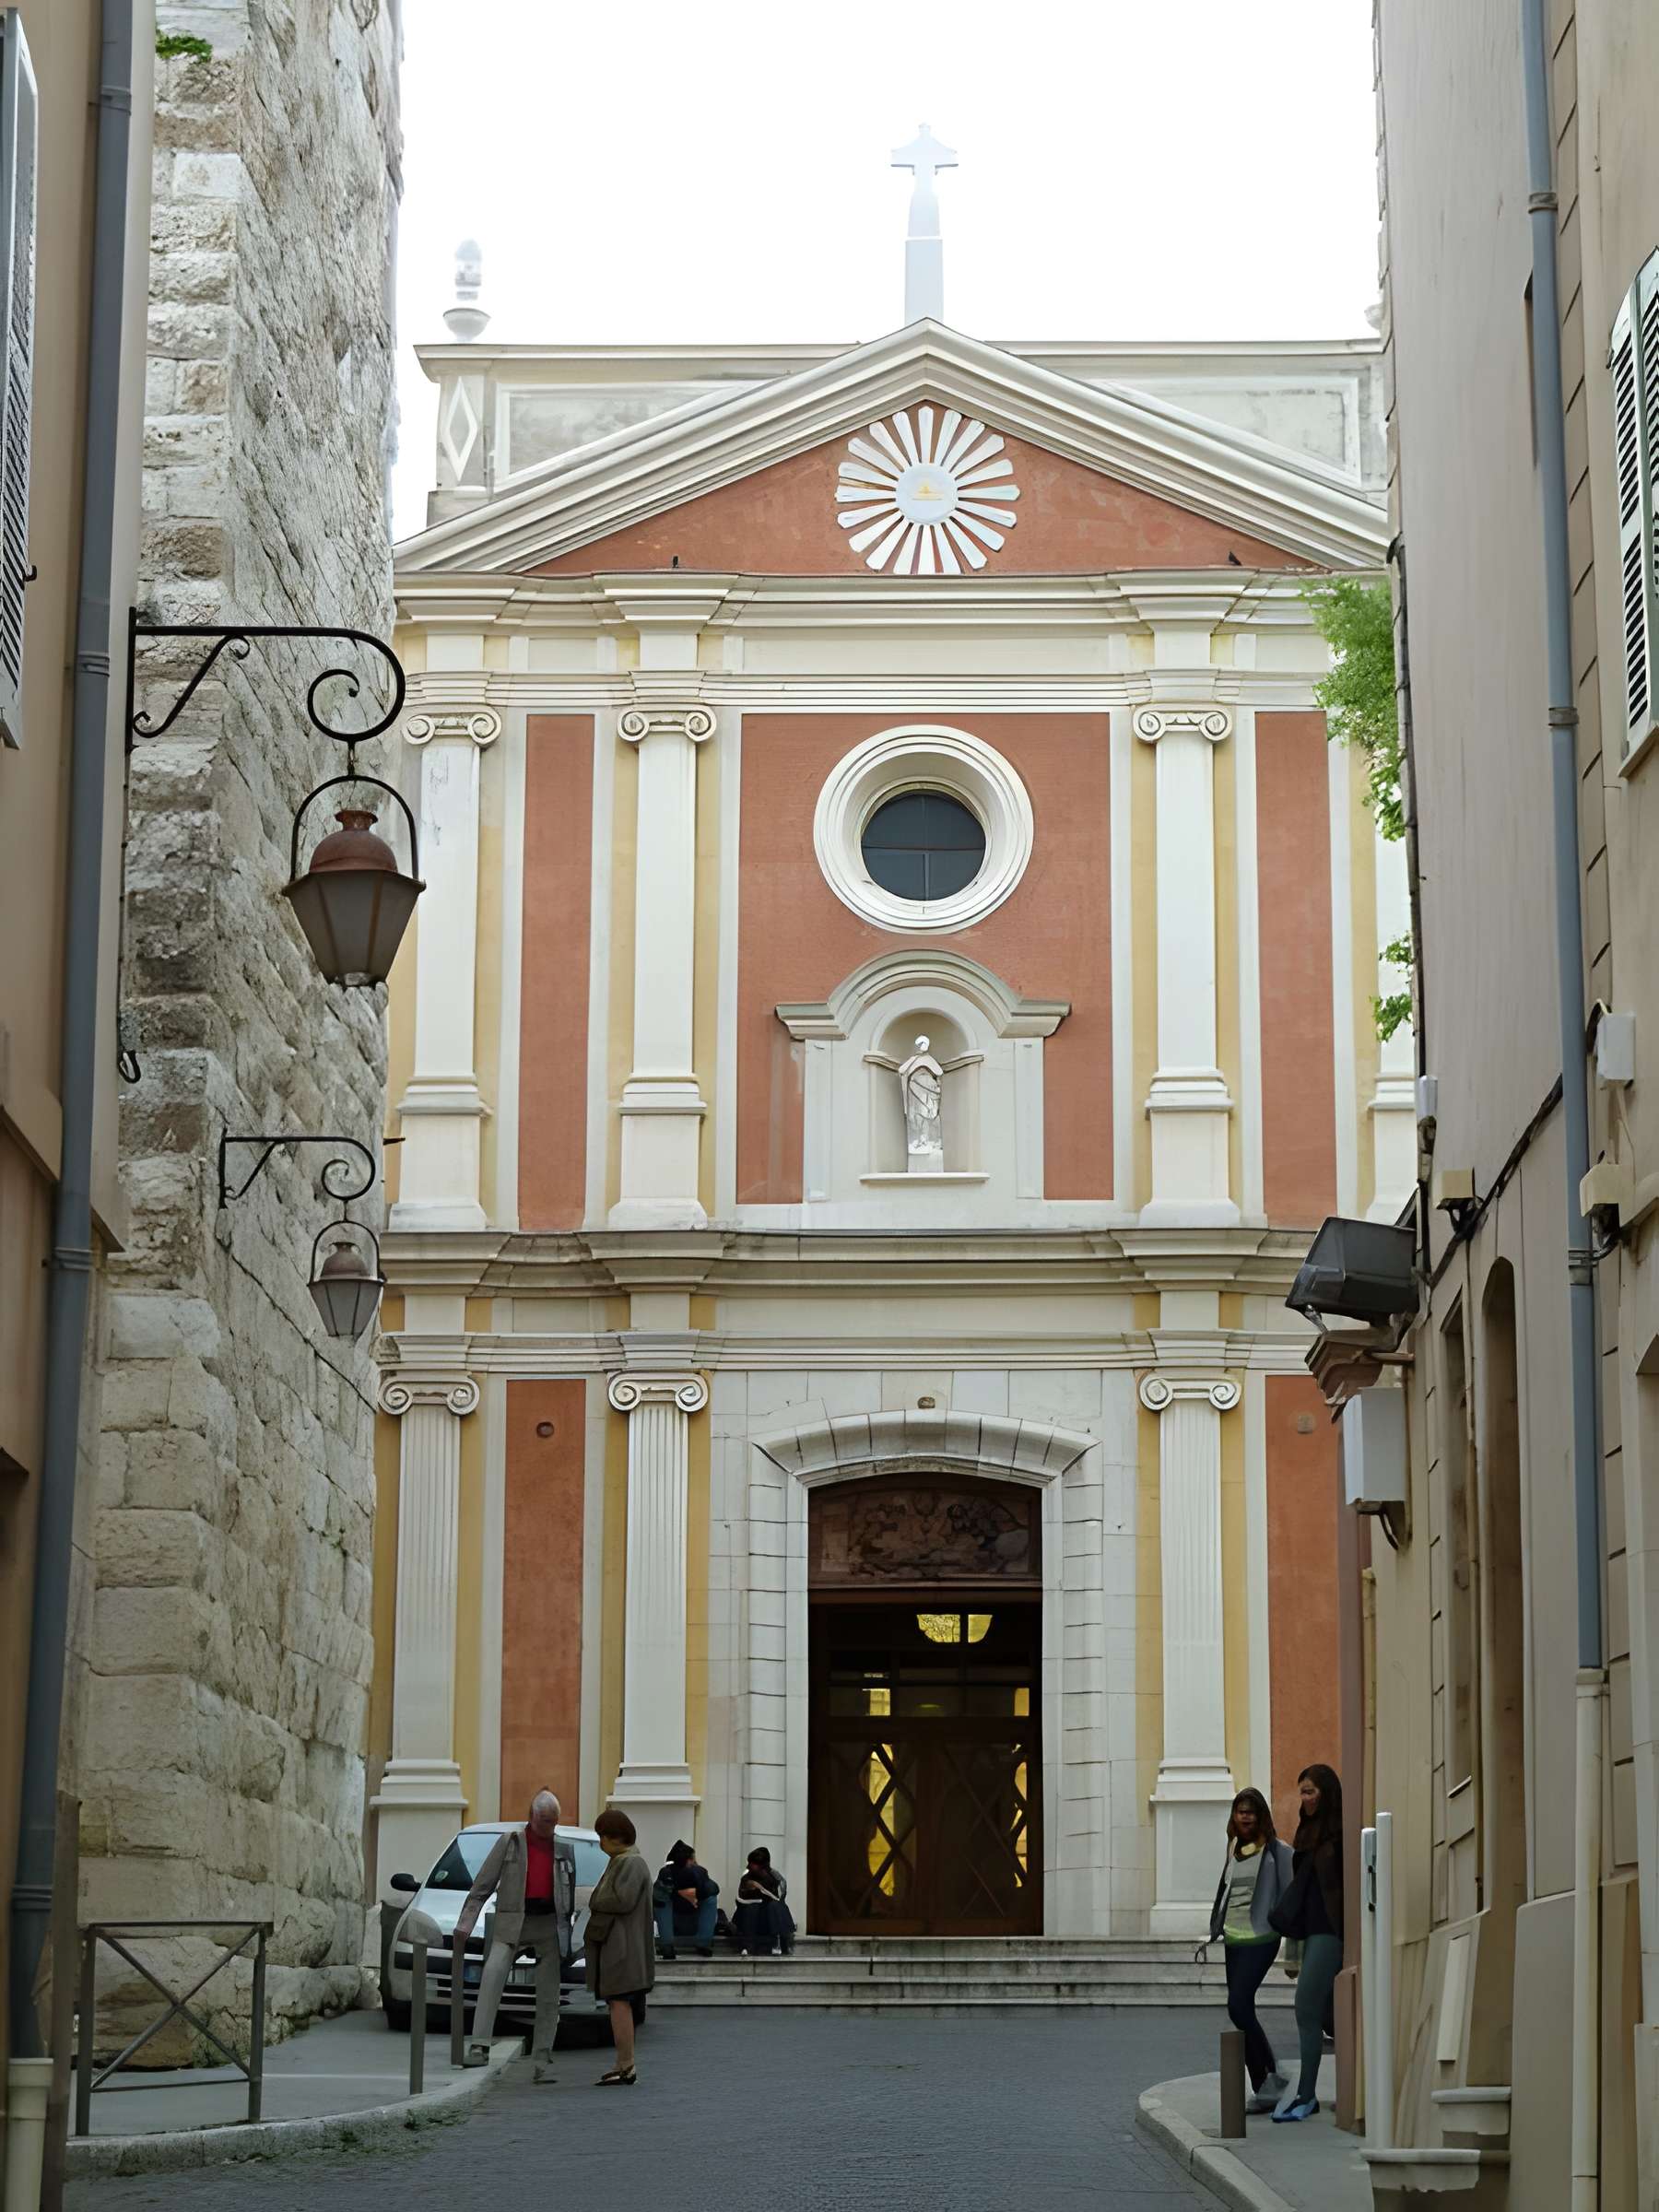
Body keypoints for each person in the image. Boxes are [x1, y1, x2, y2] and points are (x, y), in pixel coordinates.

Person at [453, 1789, 570, 2084]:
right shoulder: (510, 1842)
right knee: (492, 1976)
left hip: (547, 1924)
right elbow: (482, 1886)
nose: (549, 1827)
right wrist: (465, 1924)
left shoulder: (563, 1848)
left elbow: (568, 1891)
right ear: (532, 1817)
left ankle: (542, 2058)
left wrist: (569, 1931)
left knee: (549, 1995)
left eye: (554, 1821)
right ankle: (479, 2046)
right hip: (511, 1922)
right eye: (545, 1821)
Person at [1207, 1788, 1295, 2113]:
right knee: (1240, 2010)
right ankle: (1269, 2081)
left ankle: (1266, 2081)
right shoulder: (1235, 1849)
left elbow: (1290, 1896)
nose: (1245, 1816)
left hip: (1262, 1939)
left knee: (1238, 2006)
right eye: (1240, 1810)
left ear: (1261, 1816)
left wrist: (1291, 1943)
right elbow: (1228, 1891)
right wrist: (1217, 1926)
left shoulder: (1277, 1851)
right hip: (1234, 1940)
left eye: (1251, 1811)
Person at [1273, 1763, 1345, 2124]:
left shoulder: (1341, 1834)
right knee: (1324, 2014)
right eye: (1302, 1792)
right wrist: (1292, 1949)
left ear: (1326, 1793)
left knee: (1307, 2008)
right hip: (1311, 1931)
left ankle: (1306, 2094)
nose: (1305, 1799)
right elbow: (1299, 1895)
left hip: (1332, 1931)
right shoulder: (1305, 1832)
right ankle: (1315, 2093)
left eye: (1310, 1791)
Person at [586, 1807, 655, 2086]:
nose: (600, 1843)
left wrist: (595, 1900)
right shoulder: (622, 1861)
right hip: (619, 1945)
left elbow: (622, 1900)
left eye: (602, 1836)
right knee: (617, 2003)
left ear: (614, 1837)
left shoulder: (631, 1863)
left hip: (623, 1947)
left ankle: (626, 2065)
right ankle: (623, 2063)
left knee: (619, 2003)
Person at [653, 1838, 719, 1959]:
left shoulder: (667, 1874)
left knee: (661, 1900)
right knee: (661, 1900)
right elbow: (713, 1890)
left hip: (679, 1921)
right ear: (690, 1861)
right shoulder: (699, 1873)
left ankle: (667, 1945)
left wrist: (680, 1892)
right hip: (687, 1921)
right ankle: (703, 1944)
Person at [728, 1847, 795, 1958]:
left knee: (775, 1906)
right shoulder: (746, 1877)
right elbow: (740, 1900)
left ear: (762, 1866)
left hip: (769, 1919)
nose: (748, 1866)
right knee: (752, 1908)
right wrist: (748, 1889)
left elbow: (780, 1898)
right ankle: (747, 1946)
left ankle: (780, 1942)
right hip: (750, 1917)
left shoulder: (775, 1878)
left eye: (752, 1864)